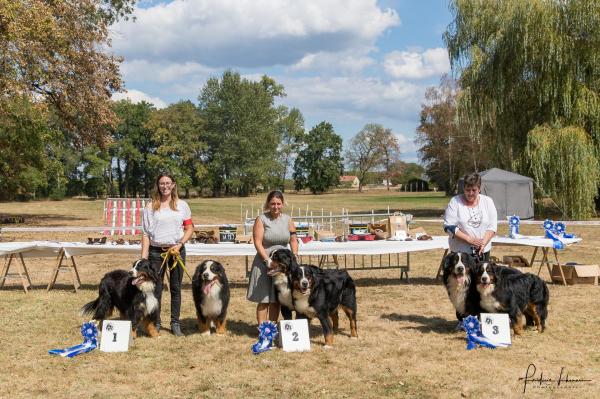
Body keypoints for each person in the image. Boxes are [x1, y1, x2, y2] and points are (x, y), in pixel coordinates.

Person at [141, 173, 194, 337]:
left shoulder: (182, 205)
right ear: (158, 185)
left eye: (168, 183)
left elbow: (189, 228)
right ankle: (156, 322)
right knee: (156, 289)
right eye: (162, 183)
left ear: (173, 185)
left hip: (176, 252)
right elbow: (145, 235)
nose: (165, 186)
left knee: (176, 288)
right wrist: (143, 259)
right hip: (156, 253)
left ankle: (175, 323)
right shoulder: (150, 207)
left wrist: (180, 244)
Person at [246, 190, 298, 325]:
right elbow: (257, 242)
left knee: (276, 299)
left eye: (278, 204)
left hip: (282, 265)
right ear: (268, 204)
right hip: (264, 263)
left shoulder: (288, 219)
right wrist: (267, 260)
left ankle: (272, 329)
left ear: (283, 204)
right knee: (264, 299)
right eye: (273, 203)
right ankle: (263, 331)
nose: (276, 206)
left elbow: (293, 240)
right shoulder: (261, 219)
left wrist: (295, 256)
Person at [443, 173, 497, 260]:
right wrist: (468, 239)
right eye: (467, 190)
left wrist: (483, 244)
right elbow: (448, 226)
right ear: (463, 188)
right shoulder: (455, 202)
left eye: (474, 190)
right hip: (460, 253)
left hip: (482, 251)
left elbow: (492, 226)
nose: (470, 193)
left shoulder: (488, 201)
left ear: (479, 189)